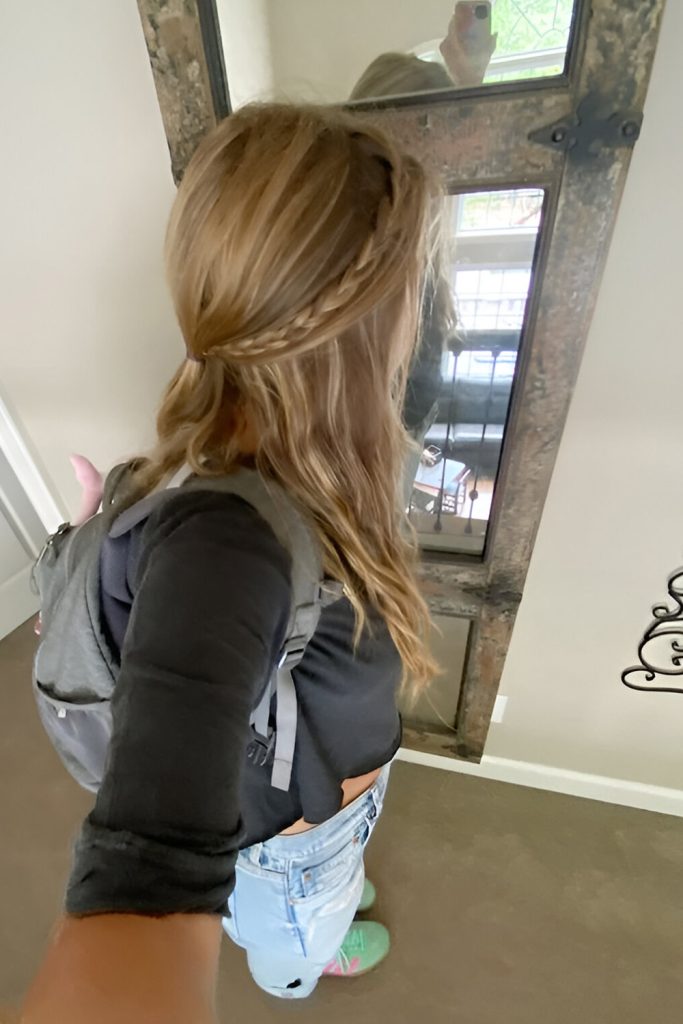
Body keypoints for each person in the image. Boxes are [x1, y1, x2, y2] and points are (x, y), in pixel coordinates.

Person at [22, 103, 439, 1023]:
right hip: (291, 850)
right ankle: (300, 958)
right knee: (292, 941)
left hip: (326, 810)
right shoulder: (227, 542)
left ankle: (323, 892)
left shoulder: (290, 466)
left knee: (325, 874)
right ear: (366, 319)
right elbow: (145, 875)